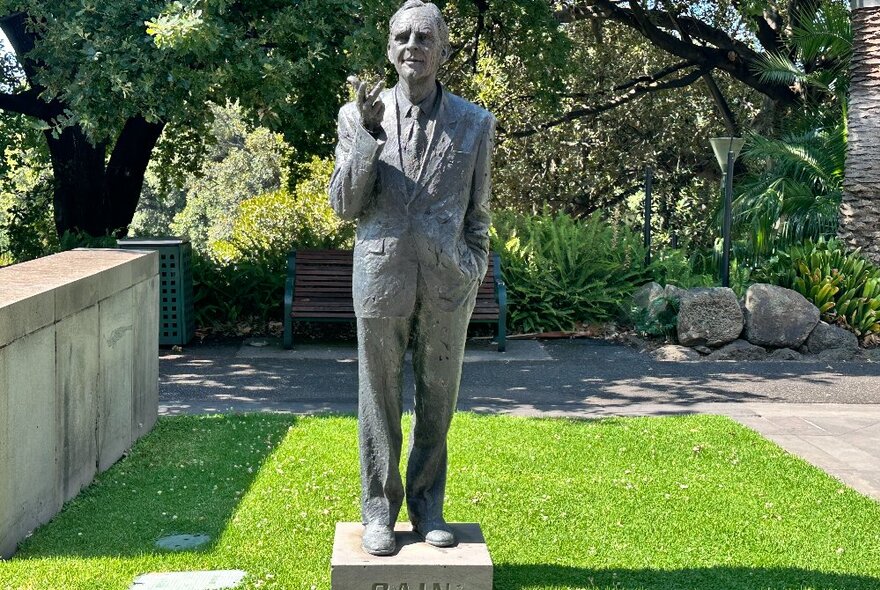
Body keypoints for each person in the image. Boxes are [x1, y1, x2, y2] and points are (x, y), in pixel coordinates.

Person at [328, 0, 495, 556]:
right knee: (377, 399)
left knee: (438, 399)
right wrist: (367, 136)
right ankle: (378, 511)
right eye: (402, 37)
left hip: (449, 281)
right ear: (389, 48)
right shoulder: (356, 117)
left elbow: (478, 213)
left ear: (442, 50)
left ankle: (427, 507)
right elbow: (344, 205)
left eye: (424, 38)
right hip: (380, 275)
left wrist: (472, 265)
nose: (412, 46)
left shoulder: (475, 122)